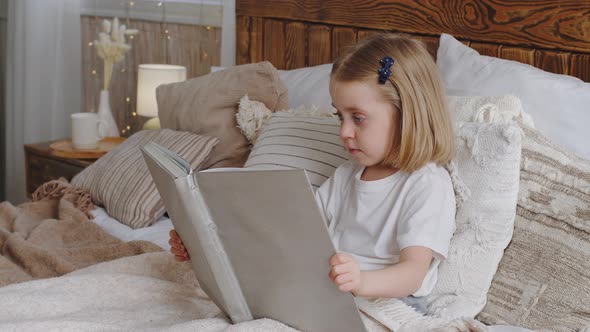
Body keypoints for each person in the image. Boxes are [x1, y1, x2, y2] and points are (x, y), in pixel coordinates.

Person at [169, 33, 456, 313]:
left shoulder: (425, 184)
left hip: (389, 303)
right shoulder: (346, 176)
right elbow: (294, 238)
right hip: (332, 294)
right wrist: (203, 245)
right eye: (339, 116)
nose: (344, 131)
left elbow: (413, 273)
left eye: (358, 118)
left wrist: (361, 281)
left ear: (408, 115)